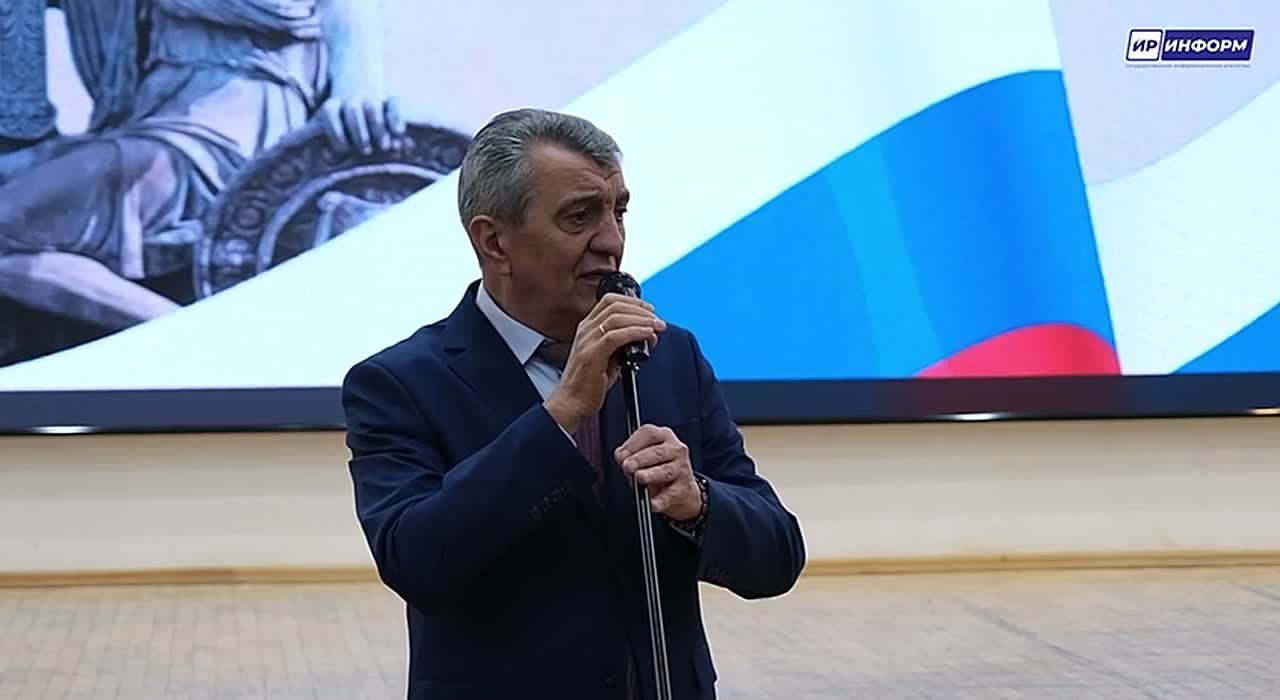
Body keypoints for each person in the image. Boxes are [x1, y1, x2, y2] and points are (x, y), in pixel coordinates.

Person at [341, 108, 806, 700]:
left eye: (619, 211)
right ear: (494, 241)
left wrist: (699, 503)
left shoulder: (668, 356)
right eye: (579, 216)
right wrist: (560, 417)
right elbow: (417, 562)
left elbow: (778, 556)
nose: (612, 242)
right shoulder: (400, 382)